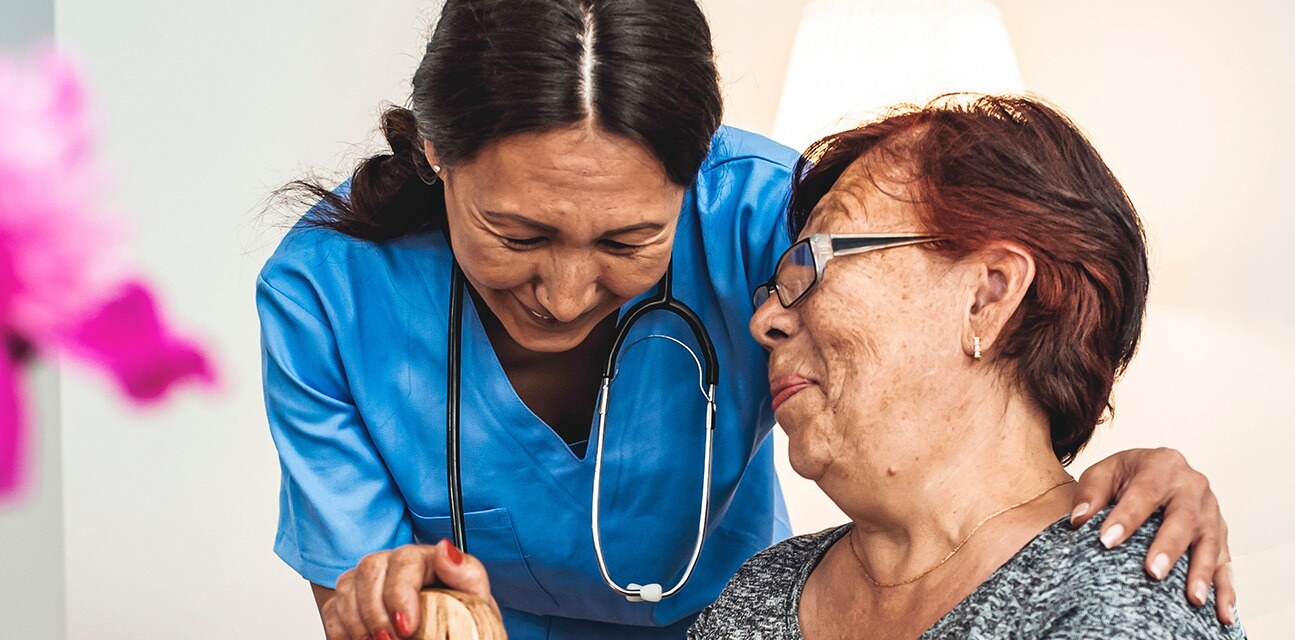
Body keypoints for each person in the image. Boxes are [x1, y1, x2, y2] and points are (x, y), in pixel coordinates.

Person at [257, 2, 1235, 638]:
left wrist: (1130, 468)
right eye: (514, 232)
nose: (560, 293)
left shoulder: (767, 221)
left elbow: (969, 310)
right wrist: (400, 607)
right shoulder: (327, 295)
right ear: (434, 156)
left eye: (624, 239)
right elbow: (378, 598)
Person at [685, 95, 1245, 639]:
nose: (764, 321)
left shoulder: (1123, 598)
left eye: (811, 263)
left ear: (987, 296)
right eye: (777, 283)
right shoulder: (759, 592)